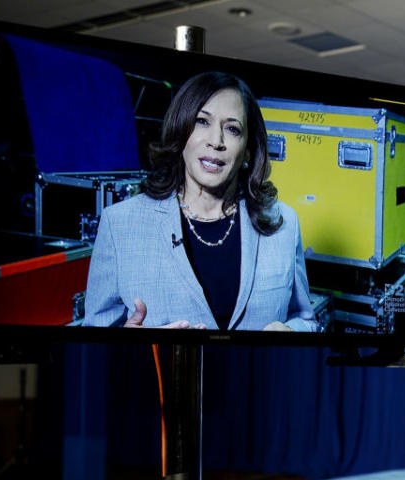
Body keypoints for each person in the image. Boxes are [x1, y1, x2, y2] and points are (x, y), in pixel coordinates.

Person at [83, 71, 317, 331]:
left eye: (232, 129)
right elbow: (93, 340)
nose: (215, 141)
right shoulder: (120, 225)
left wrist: (291, 331)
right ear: (180, 132)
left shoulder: (283, 224)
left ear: (248, 150)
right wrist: (131, 348)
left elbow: (306, 319)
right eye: (202, 122)